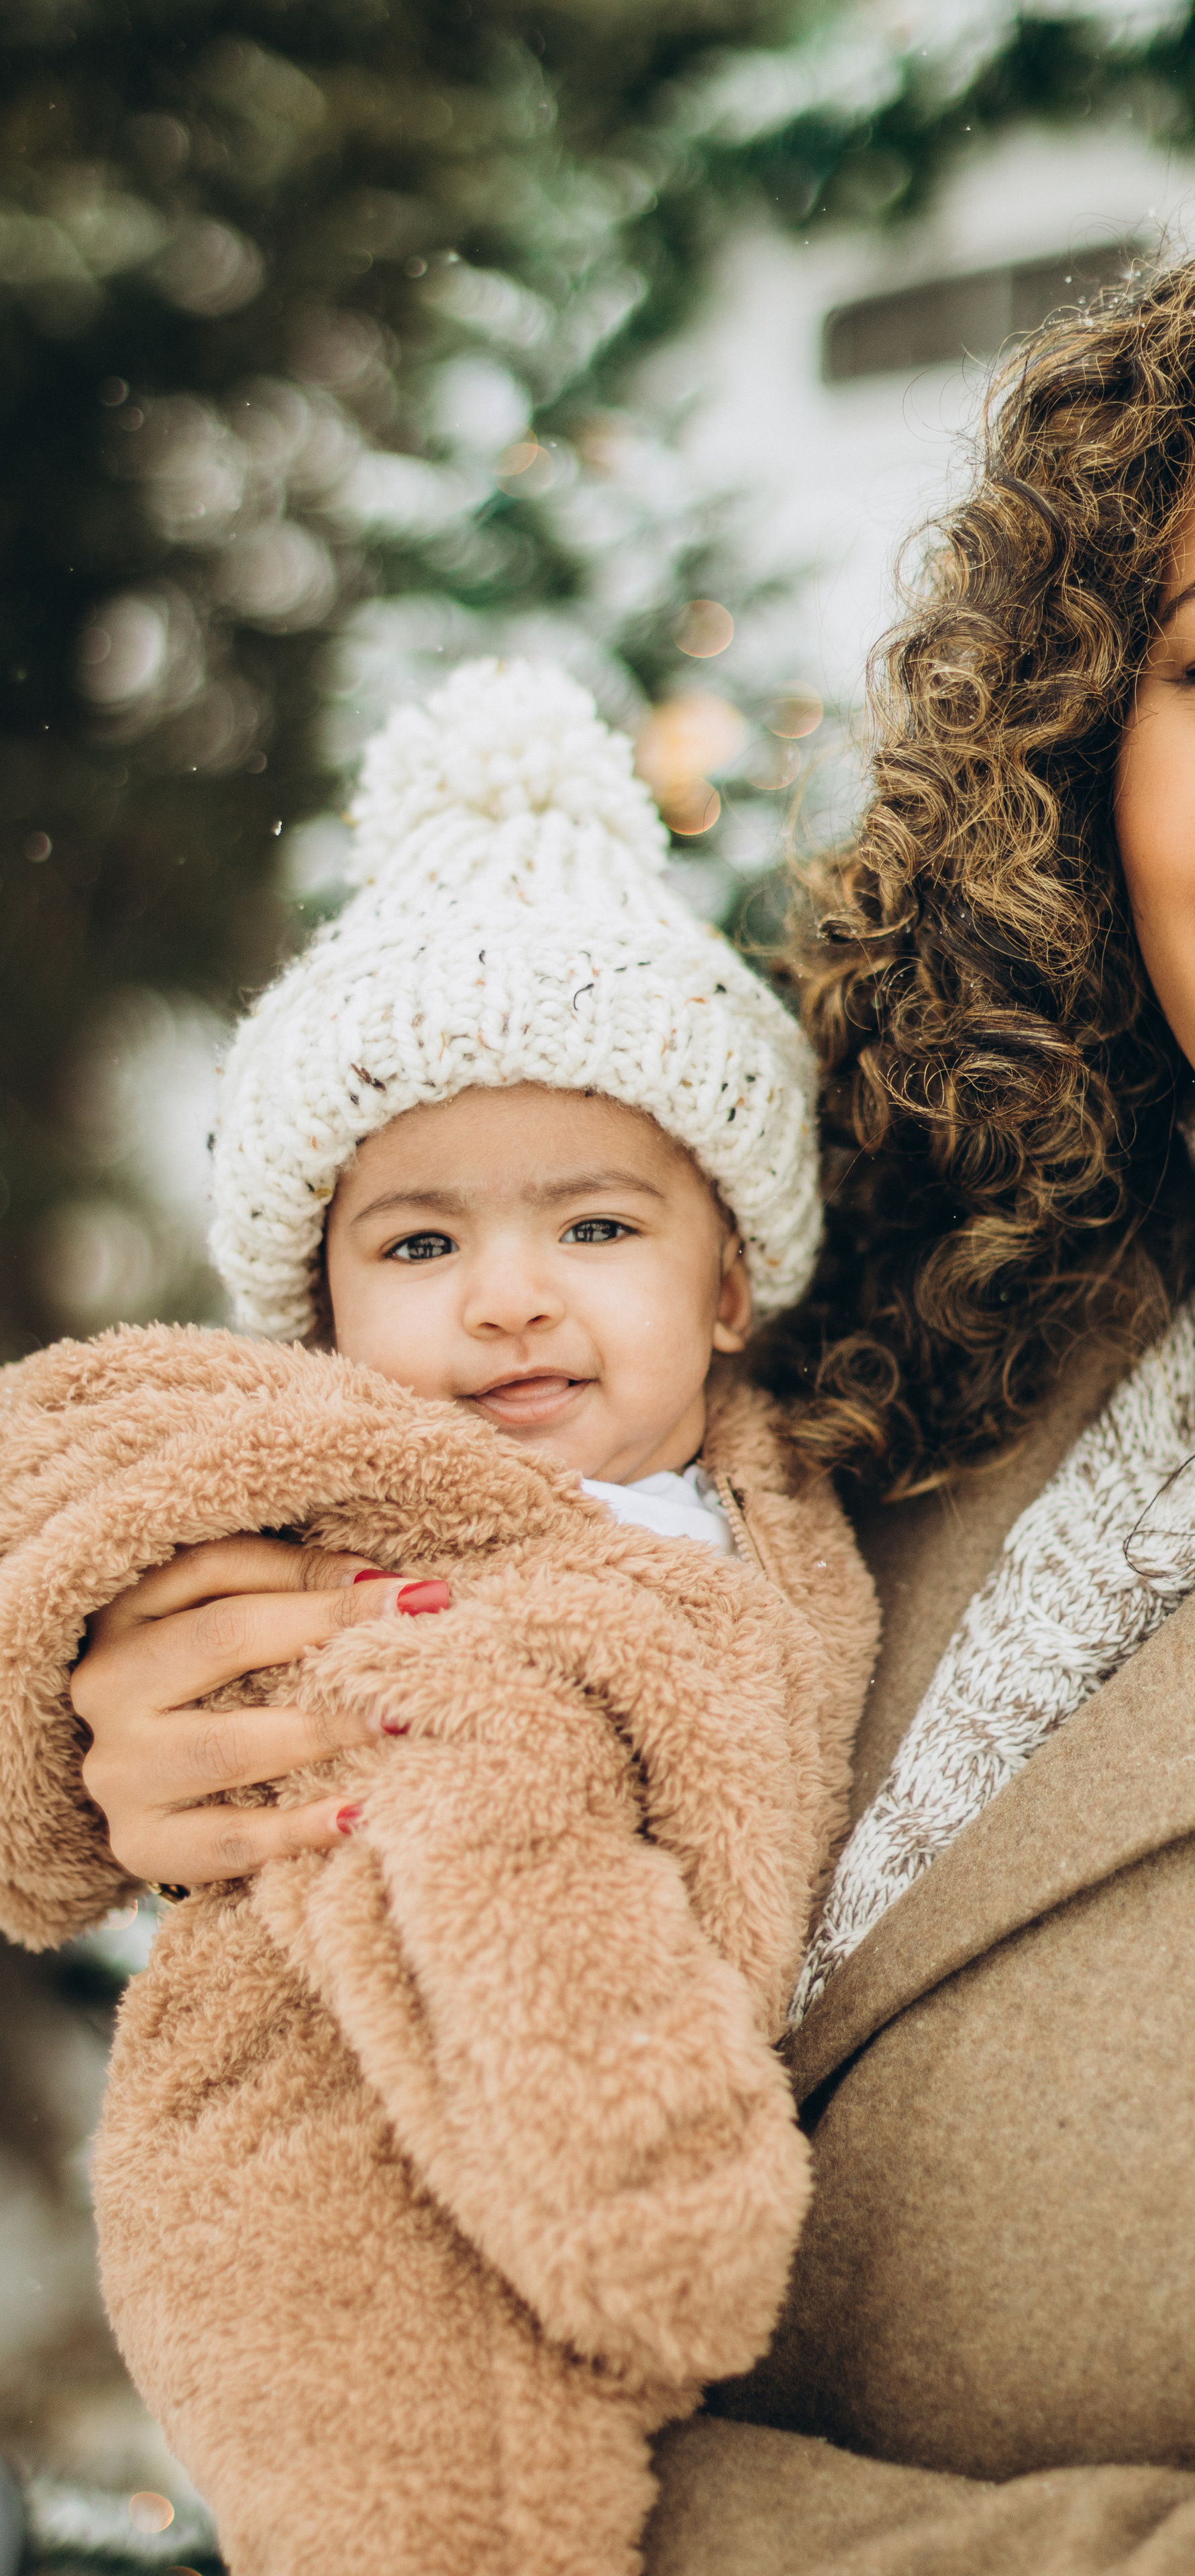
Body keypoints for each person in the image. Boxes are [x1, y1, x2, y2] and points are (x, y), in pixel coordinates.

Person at [47, 197, 1195, 2570]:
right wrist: (138, 1680)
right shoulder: (915, 1276)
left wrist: (508, 2508)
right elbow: (329, 1484)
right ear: (1084, 723)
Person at [0, 659, 876, 2576]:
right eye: (419, 1244)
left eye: (594, 1227)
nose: (507, 1301)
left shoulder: (763, 1493)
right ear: (317, 1311)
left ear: (732, 1281)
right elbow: (505, 1875)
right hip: (350, 2210)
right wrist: (662, 2205)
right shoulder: (408, 1581)